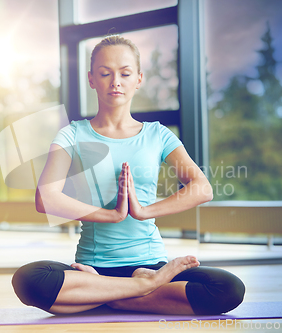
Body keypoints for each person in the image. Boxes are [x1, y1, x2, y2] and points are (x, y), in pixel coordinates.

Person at [12, 36, 245, 315]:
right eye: (105, 73)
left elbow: (202, 188)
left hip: (148, 264)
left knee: (228, 287)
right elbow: (46, 198)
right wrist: (110, 214)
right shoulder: (72, 134)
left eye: (125, 73)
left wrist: (144, 211)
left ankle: (106, 294)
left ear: (138, 78)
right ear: (91, 79)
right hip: (92, 266)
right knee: (28, 280)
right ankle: (145, 288)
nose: (115, 82)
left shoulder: (158, 134)